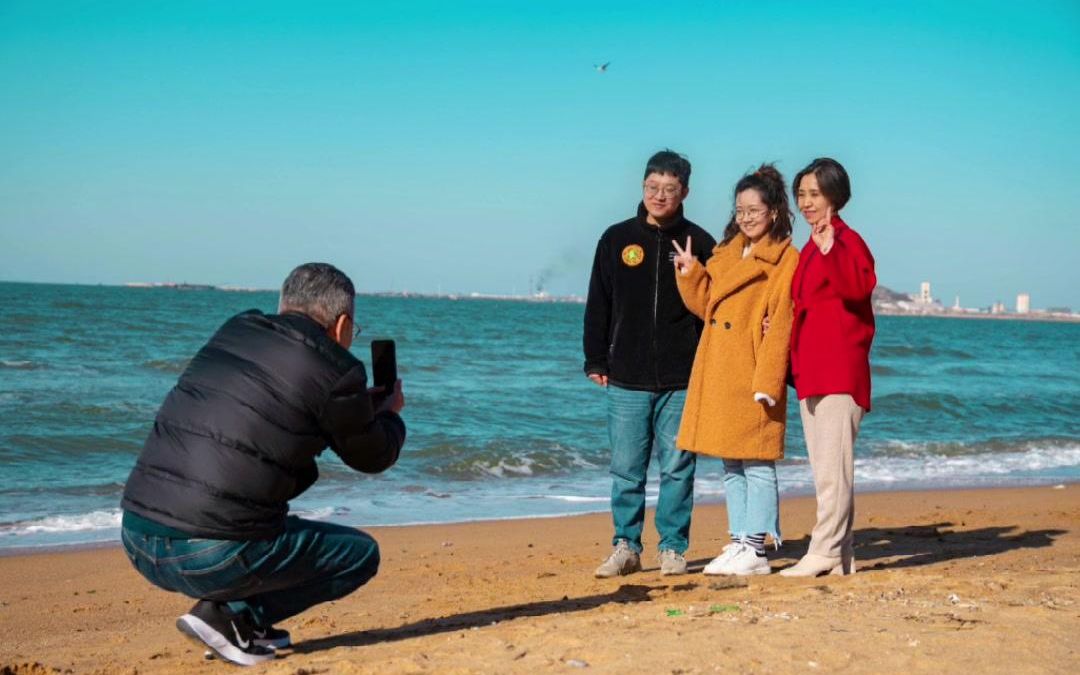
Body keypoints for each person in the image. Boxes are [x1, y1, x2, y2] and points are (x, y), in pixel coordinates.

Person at [120, 262, 407, 665]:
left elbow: (272, 405)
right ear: (342, 325)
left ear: (284, 304)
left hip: (135, 536)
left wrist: (361, 409)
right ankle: (230, 617)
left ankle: (242, 626)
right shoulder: (339, 370)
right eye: (352, 330)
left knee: (246, 516)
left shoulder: (236, 329)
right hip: (210, 555)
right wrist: (391, 414)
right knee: (360, 555)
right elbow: (372, 456)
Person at [583, 150, 716, 577]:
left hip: (681, 376)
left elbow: (714, 308)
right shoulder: (616, 238)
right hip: (625, 376)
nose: (660, 196)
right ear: (643, 187)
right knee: (626, 469)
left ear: (685, 192)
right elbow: (598, 302)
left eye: (669, 189)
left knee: (677, 467)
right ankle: (626, 545)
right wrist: (595, 357)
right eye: (652, 187)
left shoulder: (702, 241)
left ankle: (673, 548)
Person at [672, 165, 799, 576]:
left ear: (774, 212)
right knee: (731, 463)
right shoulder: (726, 252)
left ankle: (756, 549)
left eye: (753, 209)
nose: (745, 217)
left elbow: (781, 321)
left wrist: (768, 380)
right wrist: (691, 273)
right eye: (740, 209)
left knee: (757, 461)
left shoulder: (785, 259)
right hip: (720, 366)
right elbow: (708, 304)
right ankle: (738, 539)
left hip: (751, 369)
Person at [778, 158, 876, 577]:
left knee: (834, 472)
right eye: (801, 194)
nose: (806, 202)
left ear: (835, 196)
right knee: (825, 470)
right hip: (811, 371)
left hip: (840, 370)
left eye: (814, 194)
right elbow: (804, 306)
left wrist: (831, 249)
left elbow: (858, 288)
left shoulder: (848, 241)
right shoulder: (810, 248)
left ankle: (823, 552)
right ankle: (842, 556)